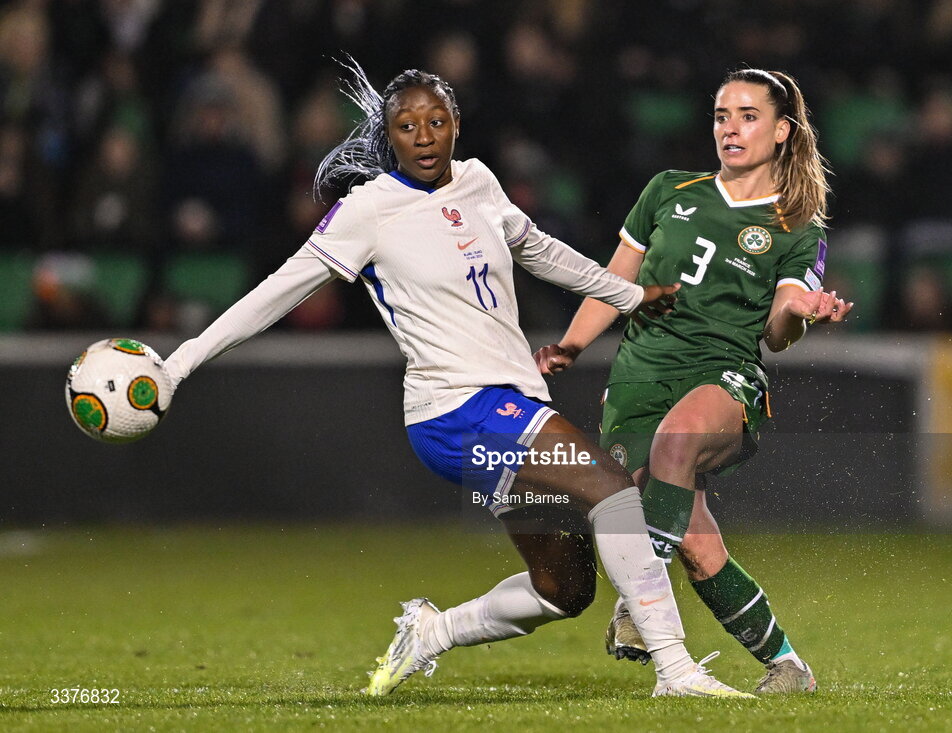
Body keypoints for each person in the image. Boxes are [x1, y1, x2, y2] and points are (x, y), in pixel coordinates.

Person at [162, 57, 753, 699]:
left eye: (435, 120)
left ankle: (432, 632)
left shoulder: (477, 182)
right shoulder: (369, 210)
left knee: (564, 588)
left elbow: (539, 249)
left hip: (509, 401)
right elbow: (276, 293)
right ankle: (675, 669)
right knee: (611, 490)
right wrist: (180, 362)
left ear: (455, 125)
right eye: (407, 125)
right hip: (455, 411)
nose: (423, 135)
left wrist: (628, 295)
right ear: (388, 137)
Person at [534, 68, 854, 694]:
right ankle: (788, 665)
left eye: (748, 115)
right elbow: (615, 281)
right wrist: (570, 345)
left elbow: (776, 330)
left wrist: (801, 311)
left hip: (722, 373)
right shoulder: (666, 190)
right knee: (698, 543)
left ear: (783, 131)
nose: (730, 128)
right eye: (720, 115)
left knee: (677, 443)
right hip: (639, 375)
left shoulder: (798, 226)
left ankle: (636, 602)